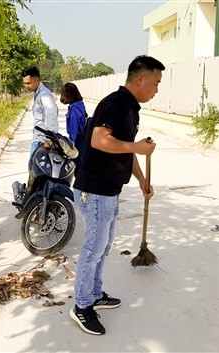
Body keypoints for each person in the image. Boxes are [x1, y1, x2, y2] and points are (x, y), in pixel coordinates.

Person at [70, 55, 165, 335]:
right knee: (93, 248)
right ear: (140, 80)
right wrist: (135, 146)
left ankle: (95, 294)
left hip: (108, 190)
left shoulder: (129, 107)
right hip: (94, 189)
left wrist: (142, 180)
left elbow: (124, 149)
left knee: (104, 246)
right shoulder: (116, 103)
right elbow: (100, 140)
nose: (157, 90)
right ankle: (82, 305)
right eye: (155, 83)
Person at [21, 66, 59, 156]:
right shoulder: (37, 94)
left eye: (28, 83)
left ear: (37, 80)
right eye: (24, 83)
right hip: (38, 139)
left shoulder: (45, 95)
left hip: (44, 142)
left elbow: (51, 114)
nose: (26, 86)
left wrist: (50, 138)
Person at [60, 82, 87, 173]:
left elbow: (73, 132)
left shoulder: (74, 109)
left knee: (77, 170)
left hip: (78, 141)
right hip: (83, 140)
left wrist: (71, 149)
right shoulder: (80, 104)